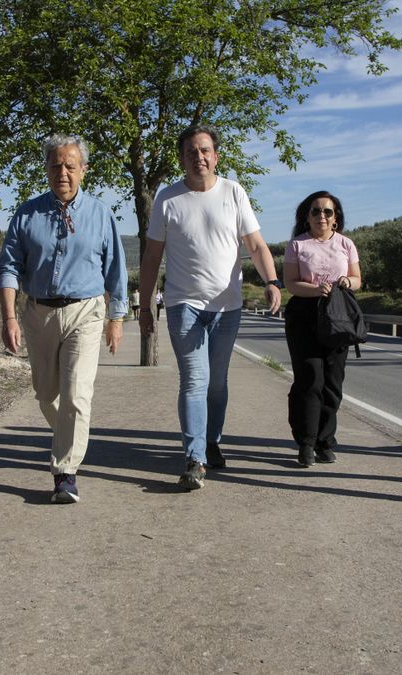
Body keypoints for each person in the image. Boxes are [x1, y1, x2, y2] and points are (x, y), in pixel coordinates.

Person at [138, 124, 282, 490]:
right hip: (183, 304)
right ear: (182, 158)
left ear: (216, 155)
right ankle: (194, 458)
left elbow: (256, 244)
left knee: (217, 383)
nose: (198, 157)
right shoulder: (167, 200)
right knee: (195, 379)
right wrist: (144, 304)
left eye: (205, 151)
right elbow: (152, 255)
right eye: (191, 152)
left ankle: (212, 440)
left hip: (227, 307)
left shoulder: (234, 192)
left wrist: (271, 281)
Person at [0, 133, 128, 504]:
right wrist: (9, 316)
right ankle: (73, 434)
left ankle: (65, 473)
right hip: (38, 313)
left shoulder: (101, 213)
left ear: (84, 170)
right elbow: (8, 267)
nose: (63, 172)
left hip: (85, 311)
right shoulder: (26, 213)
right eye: (56, 165)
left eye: (71, 165)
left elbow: (116, 269)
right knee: (46, 394)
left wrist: (115, 318)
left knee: (76, 394)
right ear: (46, 169)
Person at [282, 191, 363, 467]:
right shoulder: (297, 245)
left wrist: (345, 282)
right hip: (304, 315)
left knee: (332, 383)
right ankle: (306, 442)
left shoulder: (346, 244)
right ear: (306, 216)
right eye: (316, 211)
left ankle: (325, 441)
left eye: (328, 212)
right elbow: (291, 284)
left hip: (338, 315)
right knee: (310, 379)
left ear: (336, 217)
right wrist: (316, 289)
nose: (322, 216)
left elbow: (357, 279)